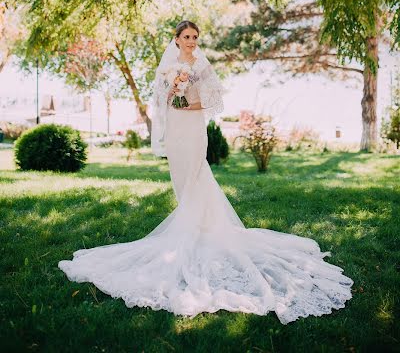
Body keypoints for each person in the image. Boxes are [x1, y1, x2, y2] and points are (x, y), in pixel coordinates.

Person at [58, 20, 353, 323]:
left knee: (198, 176)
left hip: (194, 128)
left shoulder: (202, 64)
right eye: (186, 36)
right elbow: (162, 101)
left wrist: (189, 103)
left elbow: (214, 100)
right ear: (176, 39)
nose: (191, 41)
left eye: (195, 37)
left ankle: (200, 231)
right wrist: (173, 89)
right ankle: (193, 228)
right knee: (180, 179)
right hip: (175, 131)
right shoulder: (167, 66)